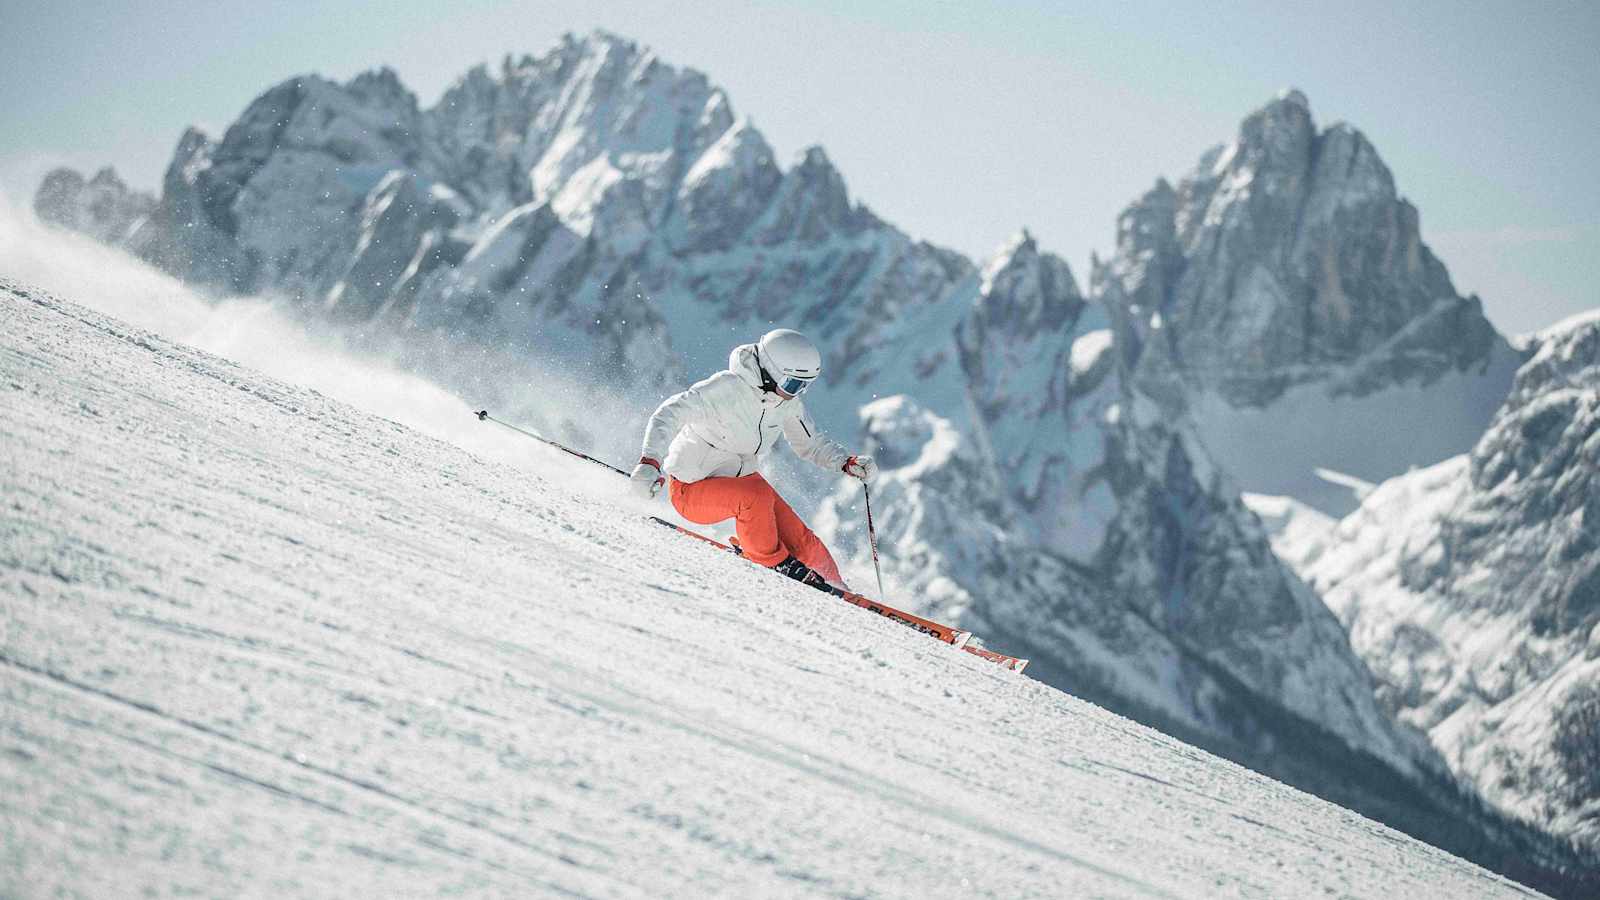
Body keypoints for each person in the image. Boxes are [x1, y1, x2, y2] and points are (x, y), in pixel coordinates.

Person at [630, 328, 877, 592]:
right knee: (755, 497)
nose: (795, 393)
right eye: (792, 384)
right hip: (691, 489)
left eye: (803, 386)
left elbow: (810, 444)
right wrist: (650, 461)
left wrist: (845, 462)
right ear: (771, 371)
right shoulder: (726, 389)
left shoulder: (786, 404)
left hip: (742, 483)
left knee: (803, 541)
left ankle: (837, 586)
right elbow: (668, 414)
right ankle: (773, 563)